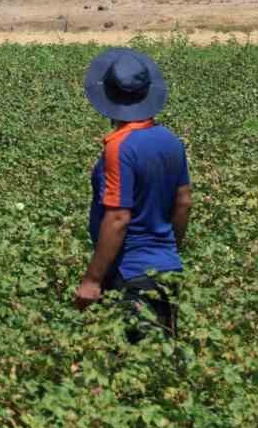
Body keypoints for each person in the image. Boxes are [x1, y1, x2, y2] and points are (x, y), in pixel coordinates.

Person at [76, 47, 194, 342]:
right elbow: (184, 203)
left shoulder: (120, 147)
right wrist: (168, 251)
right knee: (161, 361)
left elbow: (118, 218)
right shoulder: (171, 141)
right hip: (168, 269)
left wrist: (92, 280)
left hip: (130, 274)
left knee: (130, 364)